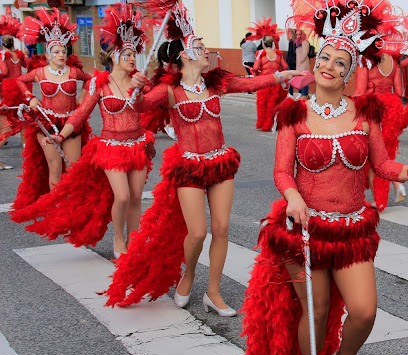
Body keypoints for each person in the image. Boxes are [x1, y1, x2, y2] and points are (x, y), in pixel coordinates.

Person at [231, 0, 408, 355]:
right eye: (324, 57)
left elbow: (381, 164)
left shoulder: (365, 114)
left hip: (351, 228)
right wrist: (292, 198)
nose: (329, 66)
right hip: (304, 229)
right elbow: (282, 172)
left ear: (349, 72)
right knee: (317, 309)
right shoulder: (294, 114)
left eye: (340, 62)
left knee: (364, 311)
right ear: (315, 61)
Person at [103, 6, 302, 311]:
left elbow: (247, 84)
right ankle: (189, 274)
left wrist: (280, 75)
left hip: (220, 163)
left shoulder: (214, 83)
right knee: (197, 232)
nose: (206, 50)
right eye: (199, 46)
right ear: (184, 55)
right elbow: (140, 107)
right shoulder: (169, 90)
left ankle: (213, 292)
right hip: (189, 167)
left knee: (221, 229)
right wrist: (137, 90)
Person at [11, 4, 153, 258]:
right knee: (121, 196)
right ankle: (118, 238)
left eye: (134, 54)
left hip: (138, 144)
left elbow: (152, 105)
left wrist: (142, 90)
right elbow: (81, 113)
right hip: (111, 147)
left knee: (135, 196)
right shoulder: (100, 83)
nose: (133, 59)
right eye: (128, 54)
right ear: (115, 57)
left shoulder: (139, 82)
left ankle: (134, 240)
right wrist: (61, 135)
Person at [9, 7, 92, 219]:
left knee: (72, 167)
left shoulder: (74, 71)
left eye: (63, 51)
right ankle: (57, 207)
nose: (61, 55)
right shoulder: (39, 73)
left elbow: (90, 80)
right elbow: (20, 81)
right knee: (54, 166)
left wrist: (83, 97)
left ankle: (72, 204)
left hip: (71, 122)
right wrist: (30, 97)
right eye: (56, 52)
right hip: (46, 123)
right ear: (48, 55)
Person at [353, 51, 406, 210]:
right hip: (391, 110)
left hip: (373, 110)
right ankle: (396, 184)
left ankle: (379, 200)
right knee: (385, 154)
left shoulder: (365, 59)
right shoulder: (393, 61)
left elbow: (360, 91)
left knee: (372, 157)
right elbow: (399, 92)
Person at [248, 19, 288, 132]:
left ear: (263, 43)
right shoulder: (278, 54)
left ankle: (263, 124)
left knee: (263, 105)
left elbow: (255, 67)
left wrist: (256, 73)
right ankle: (273, 123)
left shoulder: (260, 53)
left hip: (264, 82)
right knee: (275, 105)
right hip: (276, 82)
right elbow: (285, 67)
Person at [0, 11, 26, 149]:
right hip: (20, 85)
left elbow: (4, 72)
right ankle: (25, 142)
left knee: (5, 113)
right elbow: (26, 65)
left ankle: (3, 136)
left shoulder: (3, 56)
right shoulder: (19, 54)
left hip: (9, 87)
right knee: (21, 113)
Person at [294, 29, 311, 98]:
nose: (298, 36)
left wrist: (300, 61)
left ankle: (304, 94)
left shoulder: (304, 42)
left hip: (303, 65)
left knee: (304, 80)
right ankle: (301, 94)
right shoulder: (298, 43)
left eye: (299, 34)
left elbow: (305, 53)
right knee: (300, 80)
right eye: (296, 34)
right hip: (299, 65)